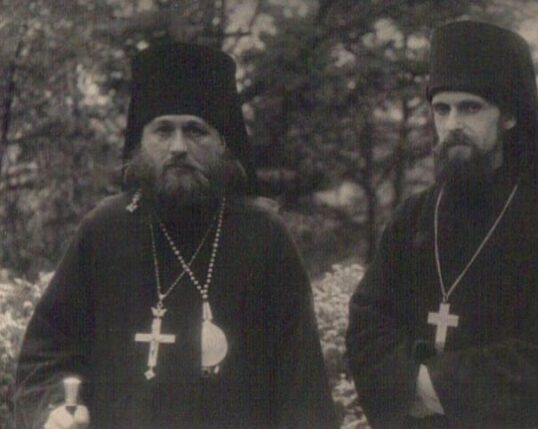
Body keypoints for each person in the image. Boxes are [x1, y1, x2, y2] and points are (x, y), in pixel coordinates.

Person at [14, 43, 338, 429]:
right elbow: (46, 352)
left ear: (223, 143)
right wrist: (54, 409)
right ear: (141, 143)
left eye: (195, 131)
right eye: (163, 131)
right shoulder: (104, 230)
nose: (179, 147)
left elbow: (302, 389)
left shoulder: (264, 236)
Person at [346, 21, 538, 429]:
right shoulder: (411, 218)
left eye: (471, 107)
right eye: (442, 109)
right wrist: (410, 383)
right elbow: (368, 324)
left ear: (509, 116)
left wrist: (432, 385)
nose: (454, 123)